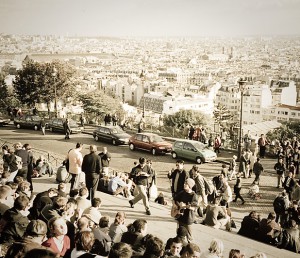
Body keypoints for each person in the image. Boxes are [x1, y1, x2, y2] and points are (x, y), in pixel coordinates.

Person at [173, 178, 198, 242]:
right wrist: (176, 205)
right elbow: (175, 199)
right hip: (180, 216)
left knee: (189, 236)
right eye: (184, 183)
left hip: (188, 218)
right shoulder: (182, 192)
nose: (184, 184)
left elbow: (194, 207)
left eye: (186, 183)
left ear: (190, 186)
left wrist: (186, 206)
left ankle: (190, 248)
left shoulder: (193, 195)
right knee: (180, 234)